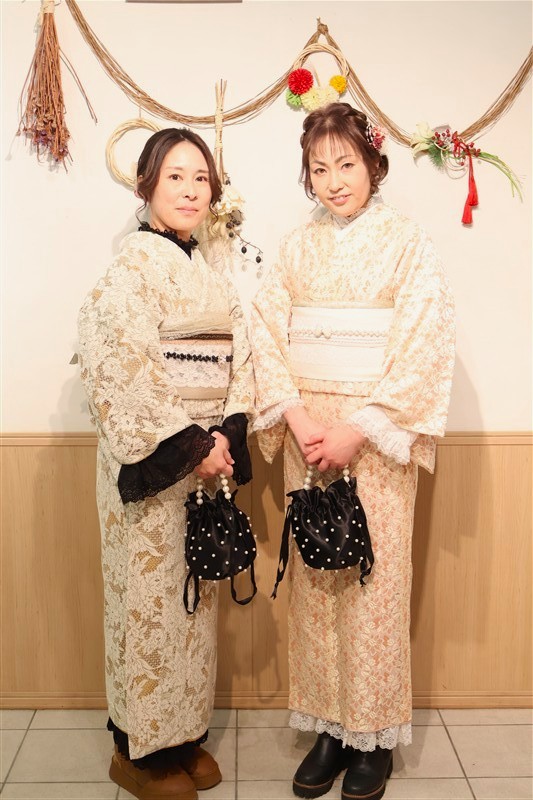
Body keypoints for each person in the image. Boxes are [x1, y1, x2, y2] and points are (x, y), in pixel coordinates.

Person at [251, 103, 455, 800]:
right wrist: (299, 418)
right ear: (306, 176)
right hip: (309, 439)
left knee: (373, 586)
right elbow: (265, 332)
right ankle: (328, 731)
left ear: (373, 164)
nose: (333, 180)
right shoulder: (292, 247)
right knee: (316, 585)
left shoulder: (408, 243)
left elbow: (424, 340)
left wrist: (358, 427)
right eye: (319, 168)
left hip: (373, 445)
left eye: (346, 164)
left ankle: (372, 737)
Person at [78, 128, 254, 800]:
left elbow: (242, 360)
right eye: (174, 176)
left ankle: (182, 738)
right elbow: (121, 369)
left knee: (192, 607)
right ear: (145, 185)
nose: (189, 190)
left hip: (204, 466)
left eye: (200, 178)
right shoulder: (127, 274)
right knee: (146, 603)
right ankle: (136, 749)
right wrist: (194, 447)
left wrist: (226, 434)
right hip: (158, 469)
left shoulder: (209, 272)